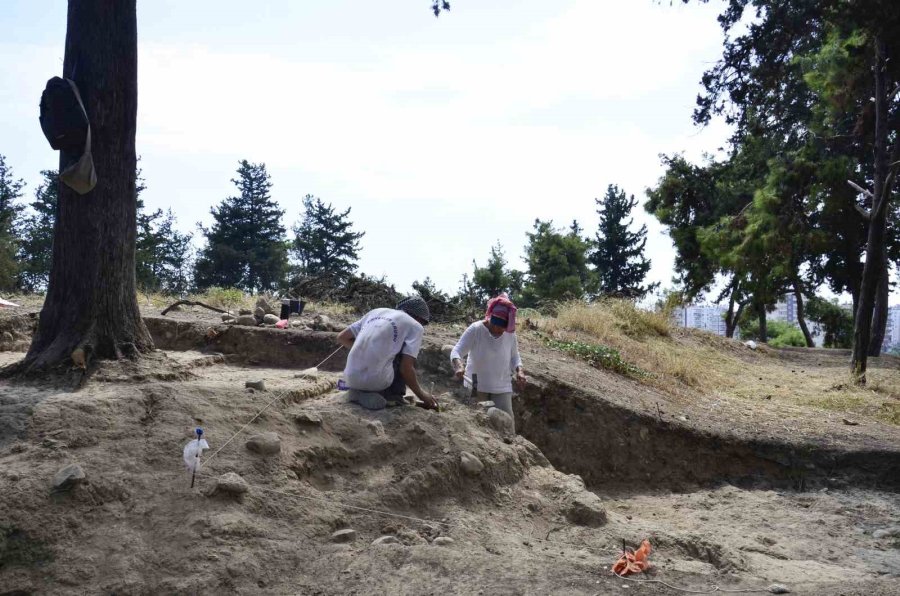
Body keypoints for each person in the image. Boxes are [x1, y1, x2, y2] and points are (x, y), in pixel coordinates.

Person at [336, 296, 438, 410]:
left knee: (391, 350)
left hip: (350, 378)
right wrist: (423, 395)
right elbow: (406, 368)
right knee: (404, 355)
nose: (422, 325)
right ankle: (392, 397)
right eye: (423, 323)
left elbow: (342, 337)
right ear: (419, 318)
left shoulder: (375, 312)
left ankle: (356, 393)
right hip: (376, 383)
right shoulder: (415, 326)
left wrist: (367, 350)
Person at [450, 293, 526, 431]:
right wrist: (459, 366)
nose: (498, 331)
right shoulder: (476, 329)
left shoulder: (510, 333)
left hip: (502, 385)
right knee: (476, 423)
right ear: (490, 317)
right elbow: (456, 351)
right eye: (495, 325)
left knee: (507, 425)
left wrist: (519, 371)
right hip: (475, 384)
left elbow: (515, 356)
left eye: (502, 328)